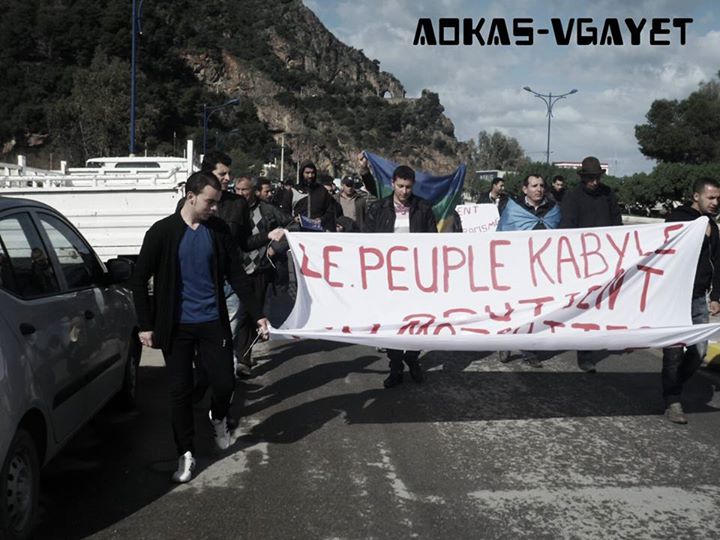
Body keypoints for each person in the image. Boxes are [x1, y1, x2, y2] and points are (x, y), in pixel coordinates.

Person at [130, 171, 270, 484]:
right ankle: (185, 452)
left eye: (218, 202)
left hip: (212, 321)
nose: (215, 208)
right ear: (191, 196)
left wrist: (258, 313)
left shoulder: (218, 230)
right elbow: (139, 280)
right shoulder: (162, 232)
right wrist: (146, 324)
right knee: (179, 391)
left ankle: (219, 417)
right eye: (210, 202)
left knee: (223, 382)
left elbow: (236, 274)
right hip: (176, 326)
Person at [364, 165, 437, 388]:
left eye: (408, 187)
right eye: (400, 186)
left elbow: (434, 242)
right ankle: (395, 366)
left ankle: (413, 359)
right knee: (392, 322)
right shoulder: (378, 208)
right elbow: (365, 242)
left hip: (416, 277)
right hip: (387, 277)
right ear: (392, 184)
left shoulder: (424, 208)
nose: (404, 191)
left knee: (418, 320)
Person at [661, 177, 720, 424]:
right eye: (711, 197)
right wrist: (698, 226)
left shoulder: (713, 227)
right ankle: (672, 399)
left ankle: (671, 385)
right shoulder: (678, 219)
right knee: (674, 353)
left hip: (698, 297)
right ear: (696, 196)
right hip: (674, 296)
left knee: (699, 352)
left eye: (718, 198)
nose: (716, 202)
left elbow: (718, 263)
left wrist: (716, 296)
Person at [560, 156, 623, 372]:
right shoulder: (572, 197)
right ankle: (584, 351)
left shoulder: (608, 195)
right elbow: (567, 228)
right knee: (585, 306)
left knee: (601, 305)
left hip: (606, 259)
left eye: (596, 178)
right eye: (590, 178)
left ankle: (590, 343)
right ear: (583, 178)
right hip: (581, 261)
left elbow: (617, 223)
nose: (594, 182)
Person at [496, 174, 561, 367]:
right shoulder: (513, 210)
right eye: (534, 186)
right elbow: (502, 236)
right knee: (513, 308)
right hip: (516, 268)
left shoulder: (554, 210)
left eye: (542, 185)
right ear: (525, 189)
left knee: (533, 309)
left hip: (542, 271)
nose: (539, 189)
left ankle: (527, 349)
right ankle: (506, 340)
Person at [232, 176, 293, 375]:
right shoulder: (230, 209)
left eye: (245, 190)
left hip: (260, 269)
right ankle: (240, 356)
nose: (240, 194)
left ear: (254, 191)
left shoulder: (267, 210)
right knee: (239, 313)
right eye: (237, 190)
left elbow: (291, 226)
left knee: (252, 312)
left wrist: (276, 247)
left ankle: (244, 357)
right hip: (235, 269)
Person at [292, 161, 337, 231]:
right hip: (298, 230)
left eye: (312, 173)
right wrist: (293, 218)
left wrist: (321, 219)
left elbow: (330, 210)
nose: (310, 176)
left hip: (317, 231)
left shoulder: (322, 191)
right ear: (302, 173)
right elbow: (284, 212)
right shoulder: (294, 190)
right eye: (307, 173)